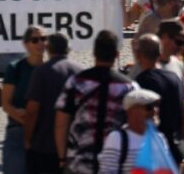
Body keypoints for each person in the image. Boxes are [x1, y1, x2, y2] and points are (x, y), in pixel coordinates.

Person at [54, 30, 136, 174]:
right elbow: (136, 126)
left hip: (79, 163)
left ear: (94, 53)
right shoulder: (129, 87)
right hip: (114, 163)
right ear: (117, 55)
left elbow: (61, 122)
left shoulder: (76, 82)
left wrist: (62, 158)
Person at [23, 32, 84, 173]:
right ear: (68, 48)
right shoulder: (81, 71)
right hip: (75, 145)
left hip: (43, 146)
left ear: (47, 48)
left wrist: (27, 139)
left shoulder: (41, 72)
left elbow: (32, 110)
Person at [131, 34, 184, 161]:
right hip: (174, 151)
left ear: (138, 55)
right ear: (160, 53)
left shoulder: (140, 82)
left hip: (151, 153)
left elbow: (137, 121)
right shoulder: (174, 78)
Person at [1, 25, 46, 174]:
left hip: (43, 133)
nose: (40, 43)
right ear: (26, 44)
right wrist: (24, 118)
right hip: (18, 129)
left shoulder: (50, 69)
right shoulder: (16, 68)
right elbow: (5, 104)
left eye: (43, 39)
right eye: (35, 40)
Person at [96, 88, 172, 174]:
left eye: (156, 106)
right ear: (131, 111)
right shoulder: (117, 138)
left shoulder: (159, 138)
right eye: (149, 107)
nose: (155, 110)